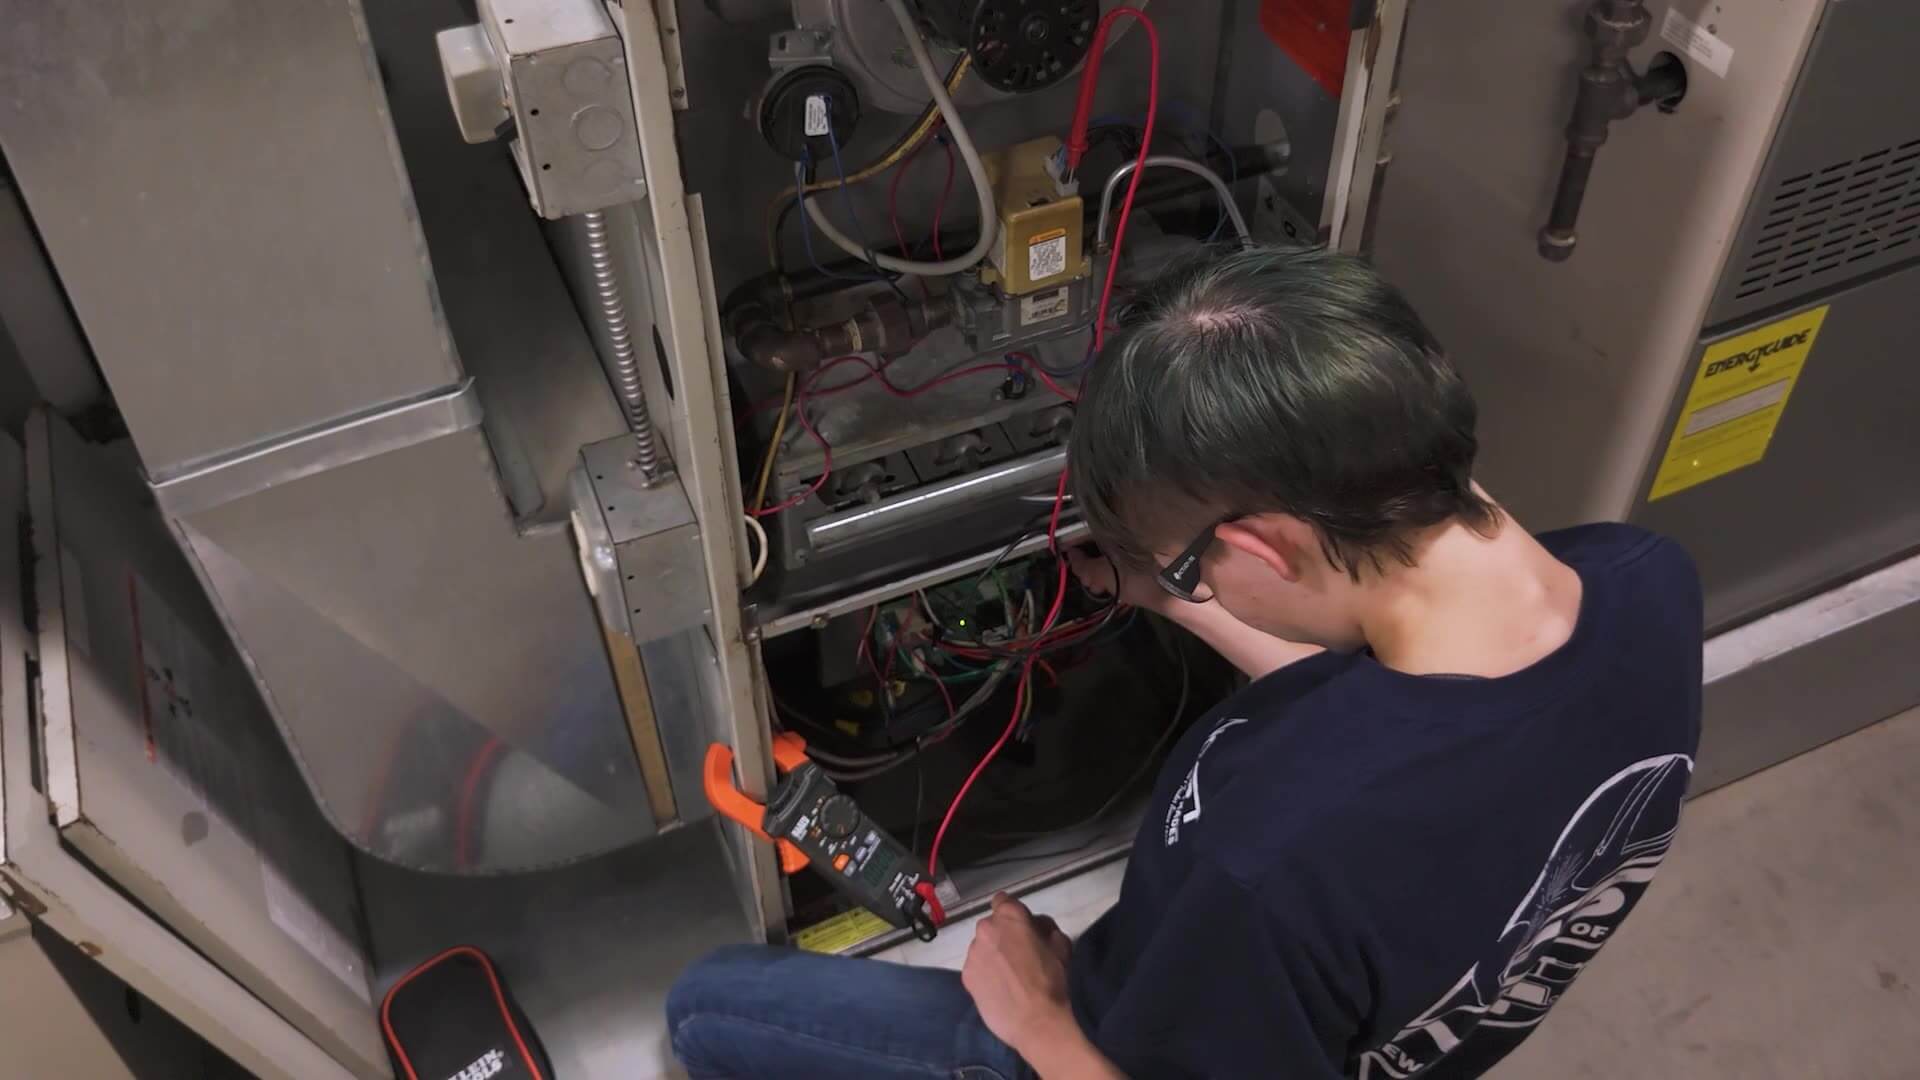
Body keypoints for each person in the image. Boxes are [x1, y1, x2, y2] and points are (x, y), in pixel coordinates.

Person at [667, 245, 1703, 1078]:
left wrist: (1036, 1023)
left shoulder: (1274, 860)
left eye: (1195, 565)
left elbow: (1328, 797)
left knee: (706, 1005)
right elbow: (1384, 707)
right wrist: (1164, 588)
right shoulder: (1645, 581)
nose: (1187, 581)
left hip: (1104, 1047)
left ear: (1262, 546)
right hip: (1286, 1019)